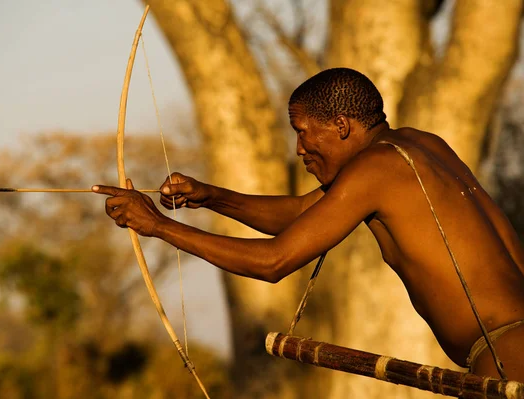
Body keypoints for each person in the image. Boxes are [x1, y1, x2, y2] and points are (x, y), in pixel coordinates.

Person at [93, 68, 524, 381]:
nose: (299, 149)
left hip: (508, 358)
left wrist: (157, 226)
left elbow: (274, 262)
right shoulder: (416, 146)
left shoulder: (378, 168)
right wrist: (209, 196)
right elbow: (302, 214)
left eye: (302, 132)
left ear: (340, 125)